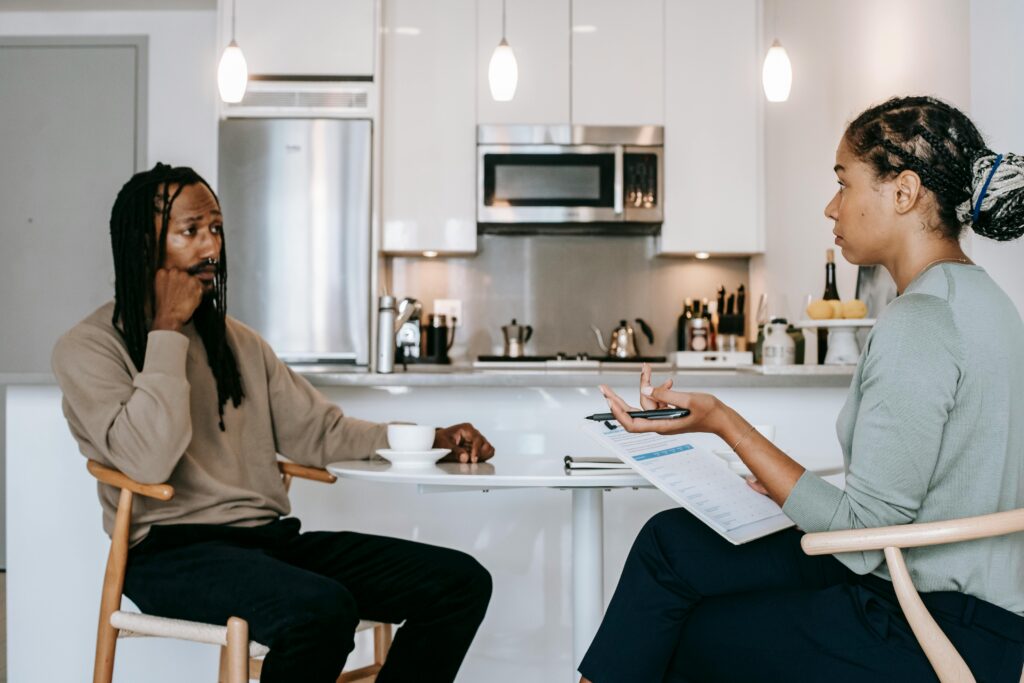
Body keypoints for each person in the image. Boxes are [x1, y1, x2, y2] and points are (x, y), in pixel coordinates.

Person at [579, 96, 1024, 682]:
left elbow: (864, 539)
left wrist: (723, 421)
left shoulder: (921, 321)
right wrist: (777, 482)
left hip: (929, 622)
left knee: (687, 629)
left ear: (904, 191)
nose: (830, 206)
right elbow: (904, 495)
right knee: (672, 544)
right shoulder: (985, 300)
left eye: (844, 183)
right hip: (956, 603)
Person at [52, 163, 495, 683]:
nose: (210, 247)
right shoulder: (88, 348)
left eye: (215, 228)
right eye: (190, 230)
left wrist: (430, 441)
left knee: (459, 582)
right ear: (141, 244)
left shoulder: (238, 342)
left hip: (268, 543)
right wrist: (166, 329)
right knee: (320, 610)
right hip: (169, 555)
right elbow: (148, 459)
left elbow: (320, 433)